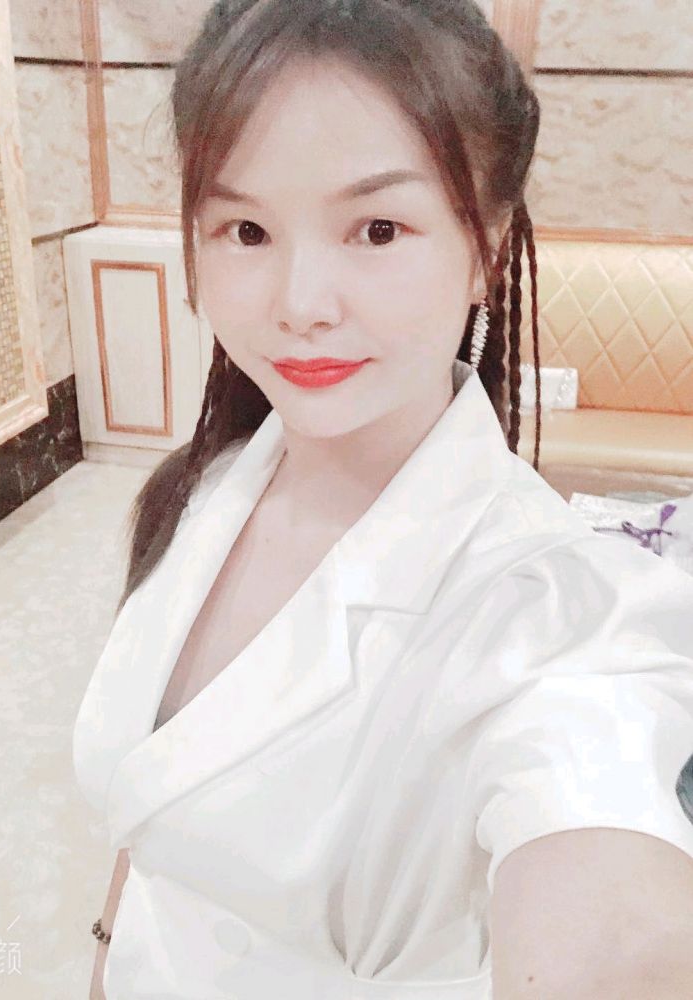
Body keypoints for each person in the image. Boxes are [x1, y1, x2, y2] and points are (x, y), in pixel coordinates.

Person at [72, 1, 693, 997]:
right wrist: (105, 952)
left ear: (487, 248)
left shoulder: (551, 617)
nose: (300, 303)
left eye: (377, 228)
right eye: (246, 229)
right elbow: (149, 811)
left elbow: (610, 899)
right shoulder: (204, 485)